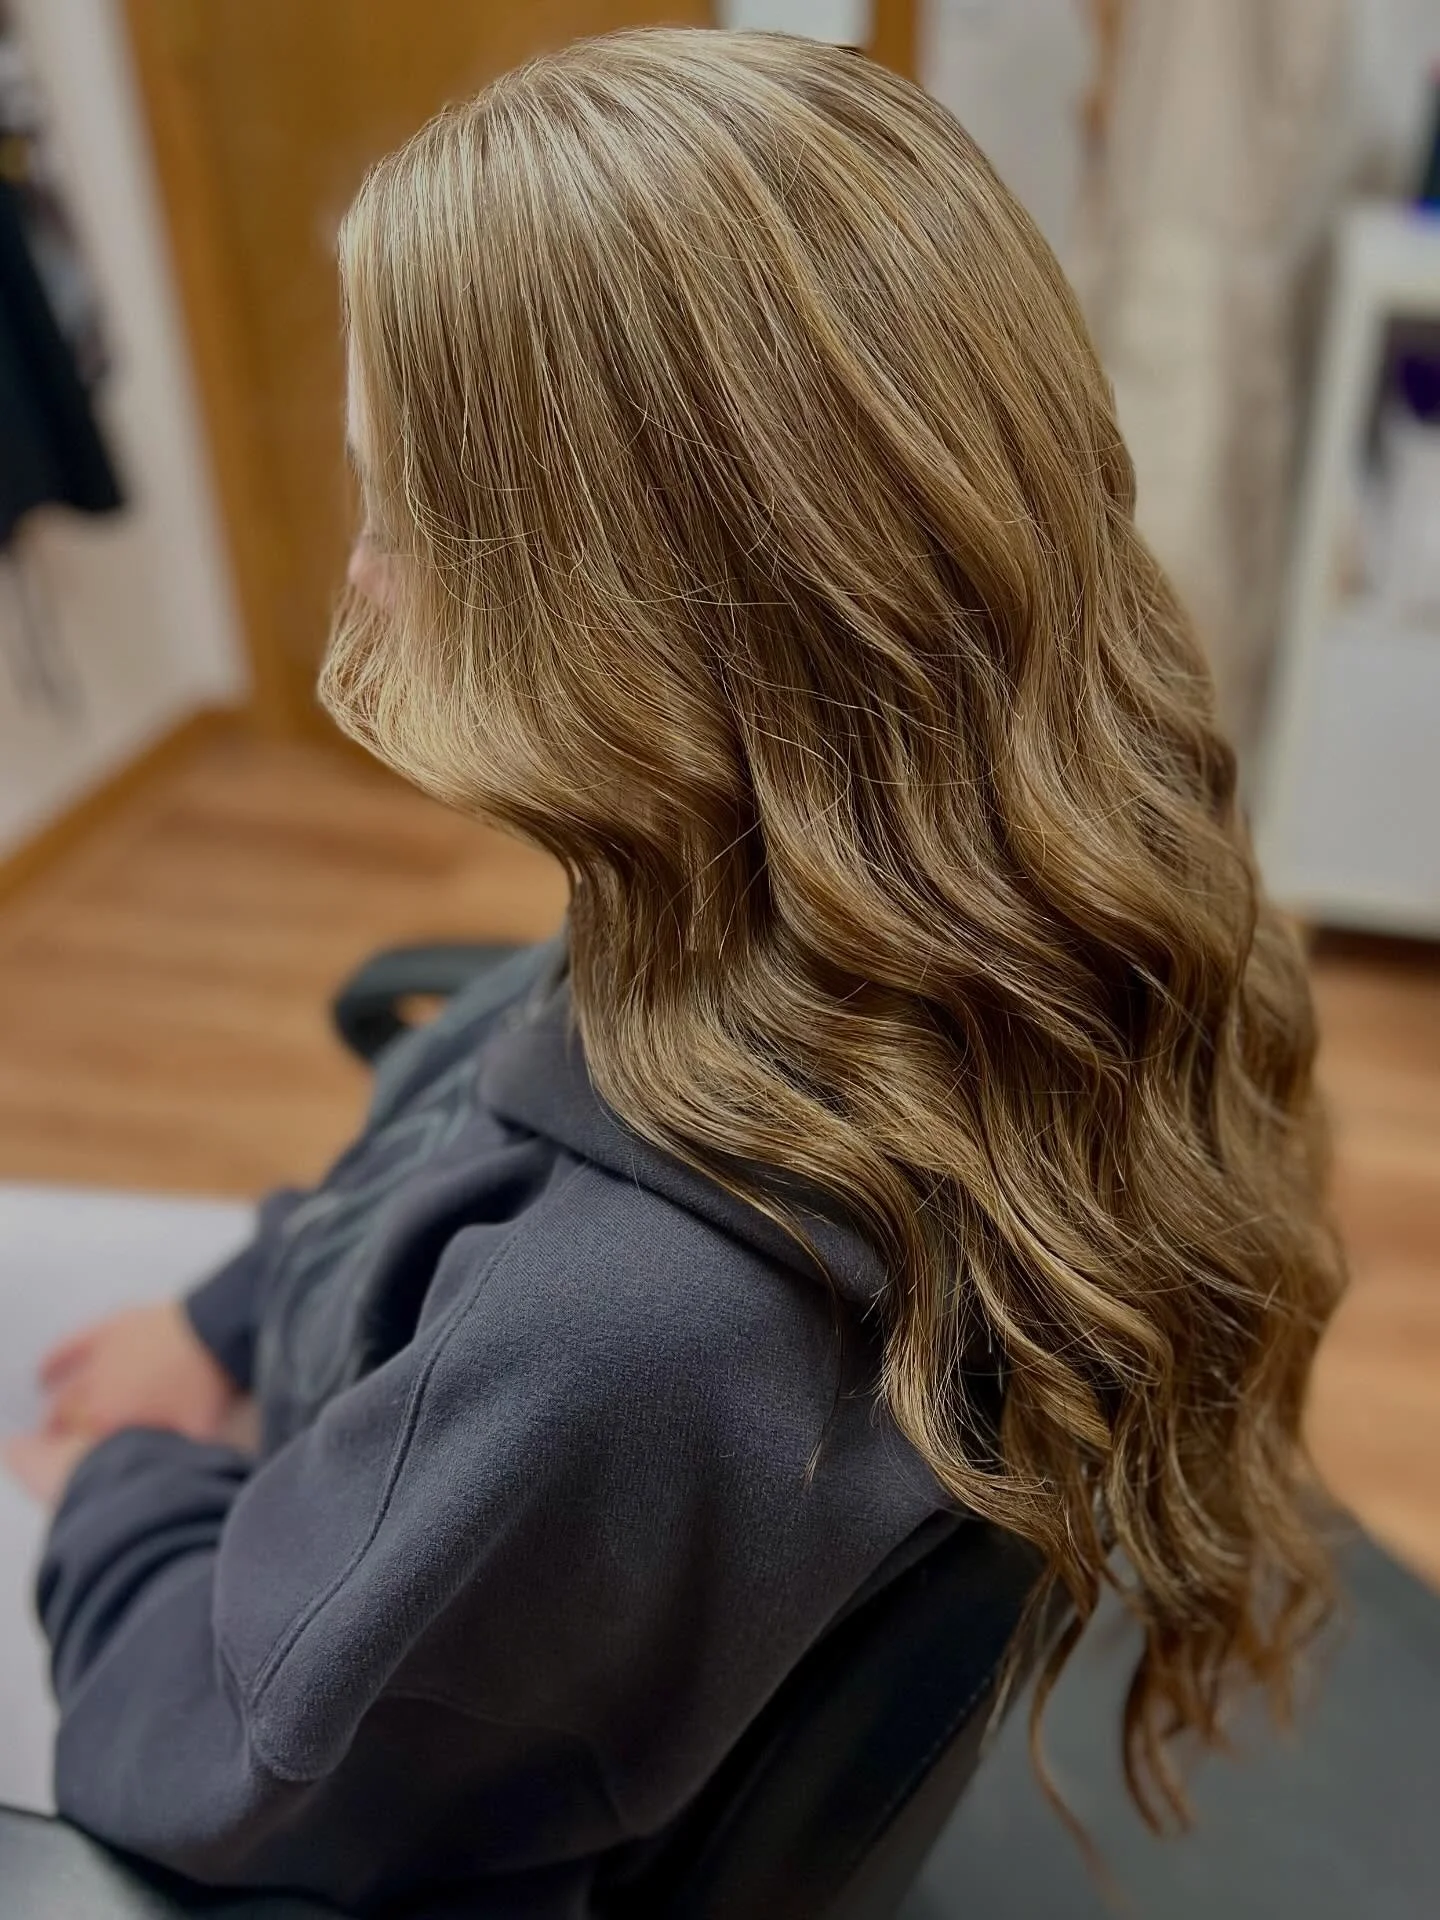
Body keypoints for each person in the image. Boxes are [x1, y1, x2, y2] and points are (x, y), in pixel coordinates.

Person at [2, 28, 1343, 1918]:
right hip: (396, 1511)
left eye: (398, 512)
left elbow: (239, 1768)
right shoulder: (912, 892)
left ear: (625, 605)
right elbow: (450, 1146)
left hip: (261, 1675)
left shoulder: (624, 1331)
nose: (364, 577)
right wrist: (231, 1318)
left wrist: (125, 1487)